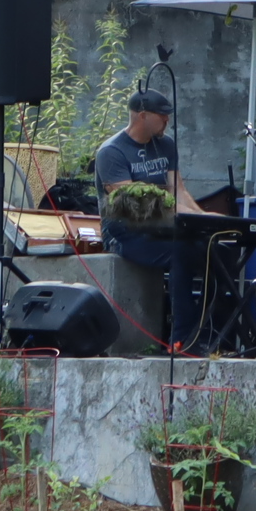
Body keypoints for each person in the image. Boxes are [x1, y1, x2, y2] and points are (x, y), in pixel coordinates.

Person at [96, 89, 190, 344]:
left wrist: (205, 217)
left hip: (162, 228)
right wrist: (178, 214)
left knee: (211, 248)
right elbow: (133, 204)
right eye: (162, 116)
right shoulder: (111, 152)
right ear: (143, 116)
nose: (167, 121)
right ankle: (183, 341)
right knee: (181, 252)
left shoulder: (166, 145)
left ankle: (214, 333)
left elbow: (178, 191)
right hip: (126, 234)